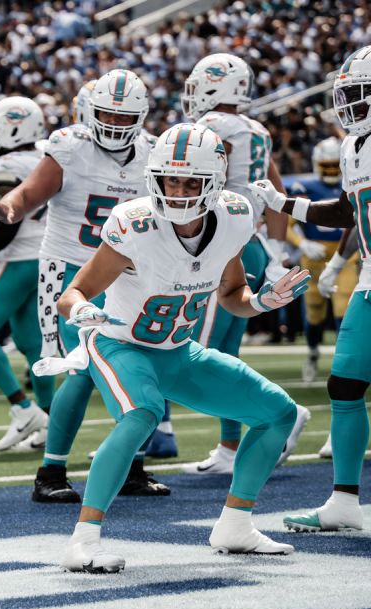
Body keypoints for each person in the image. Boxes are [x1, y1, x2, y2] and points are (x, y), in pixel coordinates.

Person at [43, 124, 304, 572]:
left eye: (190, 181)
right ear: (154, 178)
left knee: (278, 413)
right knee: (142, 414)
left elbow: (232, 292)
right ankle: (82, 540)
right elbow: (73, 292)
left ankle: (235, 524)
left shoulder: (235, 216)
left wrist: (262, 301)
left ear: (215, 183)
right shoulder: (135, 224)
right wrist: (82, 310)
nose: (178, 190)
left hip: (178, 351)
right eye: (170, 179)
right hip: (121, 345)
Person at [0, 69, 168, 502]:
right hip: (70, 271)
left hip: (129, 273)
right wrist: (9, 207)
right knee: (82, 370)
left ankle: (132, 467)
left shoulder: (153, 152)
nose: (116, 126)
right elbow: (29, 193)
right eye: (108, 115)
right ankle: (50, 471)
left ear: (141, 117)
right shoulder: (71, 146)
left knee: (142, 363)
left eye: (126, 118)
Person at [249, 45, 371, 533]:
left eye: (361, 96)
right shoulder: (351, 146)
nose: (352, 106)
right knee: (344, 385)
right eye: (348, 96)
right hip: (369, 278)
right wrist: (286, 204)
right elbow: (347, 212)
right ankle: (344, 499)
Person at [182, 53, 311, 475]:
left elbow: (200, 179)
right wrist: (275, 249)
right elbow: (274, 190)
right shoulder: (256, 129)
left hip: (223, 242)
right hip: (250, 240)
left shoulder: (212, 129)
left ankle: (285, 412)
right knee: (224, 351)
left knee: (193, 350)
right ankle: (230, 447)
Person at [0, 96, 54, 452]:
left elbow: (5, 228)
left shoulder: (9, 163)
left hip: (15, 259)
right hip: (44, 259)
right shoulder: (46, 159)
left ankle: (23, 408)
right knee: (34, 345)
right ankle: (50, 421)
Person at [287, 138, 357, 385]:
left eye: (333, 164)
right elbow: (288, 226)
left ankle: (344, 365)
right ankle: (313, 353)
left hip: (347, 253)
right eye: (325, 164)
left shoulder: (352, 182)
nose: (330, 170)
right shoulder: (303, 186)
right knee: (314, 311)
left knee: (343, 305)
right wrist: (302, 243)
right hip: (314, 257)